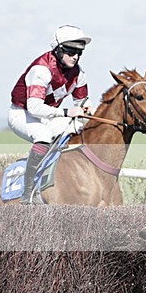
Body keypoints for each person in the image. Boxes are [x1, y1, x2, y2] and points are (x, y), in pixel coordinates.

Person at [8, 25, 93, 204]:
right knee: (43, 135)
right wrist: (66, 112)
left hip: (48, 116)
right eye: (71, 51)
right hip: (22, 113)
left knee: (79, 127)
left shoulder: (78, 73)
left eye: (79, 52)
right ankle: (28, 192)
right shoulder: (41, 69)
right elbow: (34, 107)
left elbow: (82, 102)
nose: (75, 56)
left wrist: (89, 110)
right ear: (58, 50)